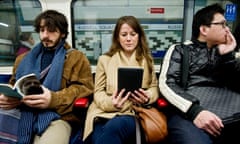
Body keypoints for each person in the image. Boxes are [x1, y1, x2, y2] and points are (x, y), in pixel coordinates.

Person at [0, 10, 94, 144]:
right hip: (22, 111)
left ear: (62, 33)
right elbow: (14, 84)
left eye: (51, 31)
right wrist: (7, 97)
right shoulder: (23, 59)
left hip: (58, 117)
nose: (45, 35)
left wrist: (53, 99)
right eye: (42, 30)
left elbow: (85, 90)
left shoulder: (76, 58)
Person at [159, 3, 240, 144]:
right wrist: (195, 111)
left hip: (229, 111)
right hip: (188, 113)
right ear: (203, 29)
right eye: (222, 24)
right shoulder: (180, 50)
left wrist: (228, 56)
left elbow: (234, 85)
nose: (227, 29)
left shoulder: (227, 53)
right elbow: (167, 84)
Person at [83, 15, 159, 144]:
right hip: (103, 112)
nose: (128, 39)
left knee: (114, 127)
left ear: (139, 36)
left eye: (133, 34)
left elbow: (153, 88)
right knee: (98, 136)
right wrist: (112, 103)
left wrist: (147, 97)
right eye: (124, 35)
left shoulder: (147, 60)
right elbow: (98, 92)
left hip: (131, 112)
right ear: (117, 38)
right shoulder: (104, 60)